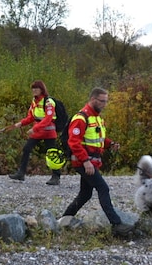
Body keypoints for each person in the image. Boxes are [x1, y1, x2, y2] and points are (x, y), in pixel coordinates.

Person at [57, 87, 134, 237]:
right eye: (102, 101)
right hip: (83, 163)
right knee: (103, 188)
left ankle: (63, 220)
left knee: (85, 195)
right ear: (93, 99)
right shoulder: (81, 118)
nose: (104, 104)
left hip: (91, 163)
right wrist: (86, 162)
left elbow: (99, 139)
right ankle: (116, 224)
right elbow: (74, 142)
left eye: (106, 101)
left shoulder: (97, 118)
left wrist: (110, 144)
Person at [8, 80, 62, 185]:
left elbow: (48, 118)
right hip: (38, 131)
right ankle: (21, 173)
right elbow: (31, 117)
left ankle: (56, 176)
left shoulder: (48, 102)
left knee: (52, 154)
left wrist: (35, 128)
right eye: (33, 88)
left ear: (41, 89)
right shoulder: (34, 101)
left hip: (48, 131)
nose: (34, 90)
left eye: (36, 88)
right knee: (27, 149)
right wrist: (21, 123)